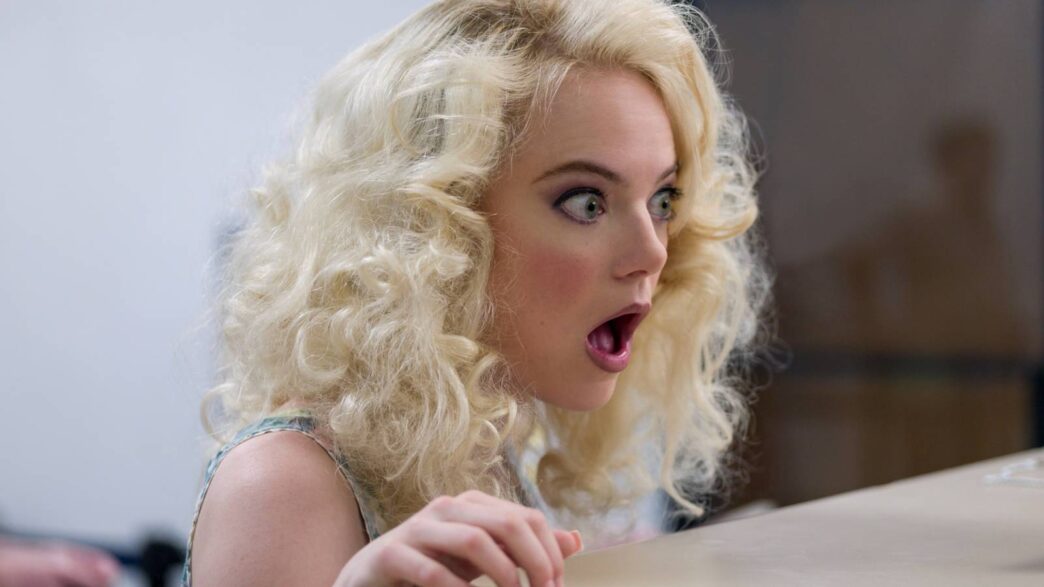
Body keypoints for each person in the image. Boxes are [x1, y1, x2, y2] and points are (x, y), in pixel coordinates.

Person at [185, 0, 767, 585]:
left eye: (662, 201)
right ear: (436, 226)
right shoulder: (280, 482)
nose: (653, 252)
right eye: (587, 203)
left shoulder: (484, 455)